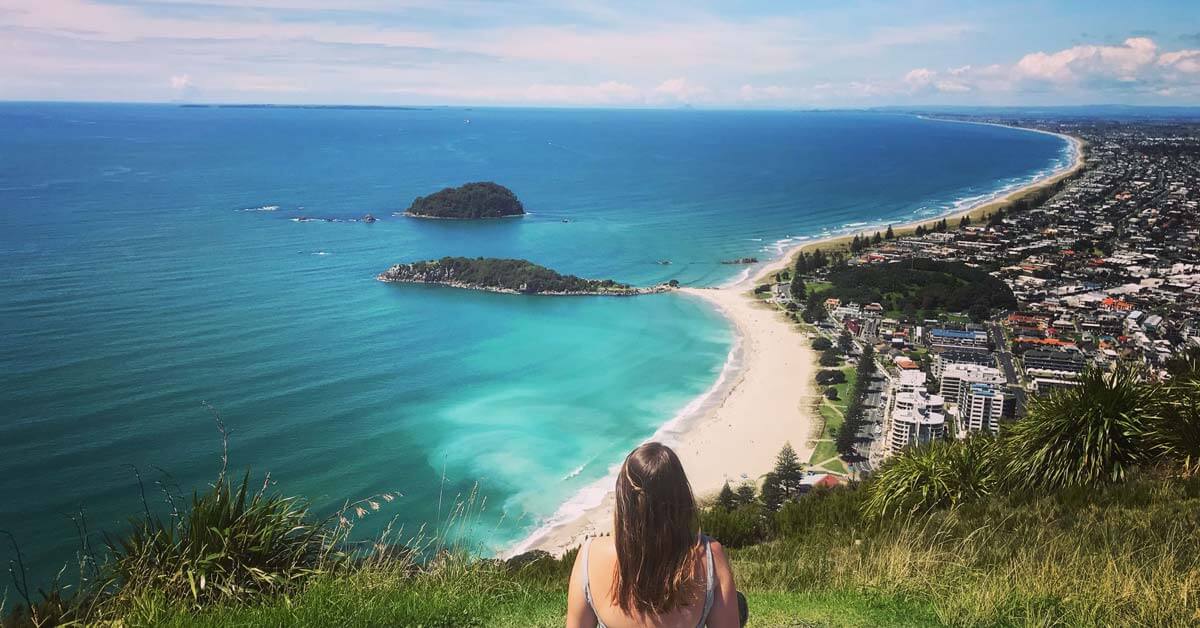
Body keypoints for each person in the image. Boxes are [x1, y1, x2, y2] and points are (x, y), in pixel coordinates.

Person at [566, 442, 745, 627]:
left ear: (623, 499)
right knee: (740, 605)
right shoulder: (710, 557)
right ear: (681, 496)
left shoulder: (590, 556)